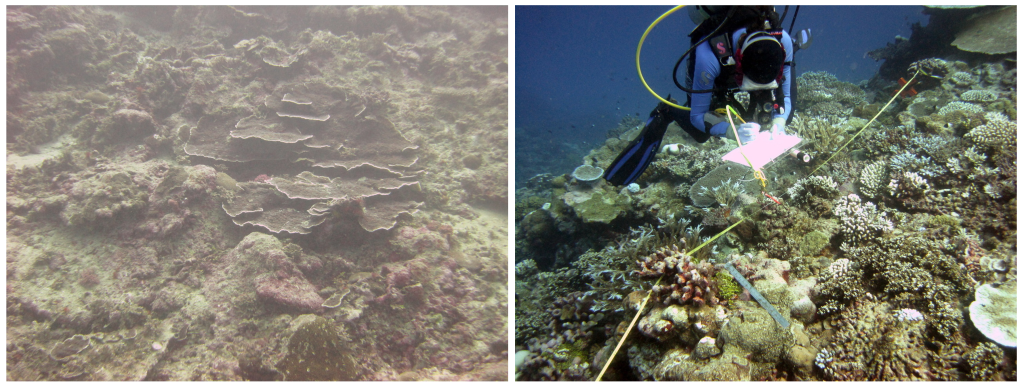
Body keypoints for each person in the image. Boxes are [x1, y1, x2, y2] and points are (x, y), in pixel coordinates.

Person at [605, 6, 811, 186]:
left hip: (754, 65)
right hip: (720, 77)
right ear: (738, 65)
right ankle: (668, 111)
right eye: (751, 86)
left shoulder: (783, 41)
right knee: (702, 133)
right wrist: (731, 132)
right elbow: (697, 116)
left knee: (778, 115)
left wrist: (780, 121)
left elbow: (786, 96)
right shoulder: (708, 56)